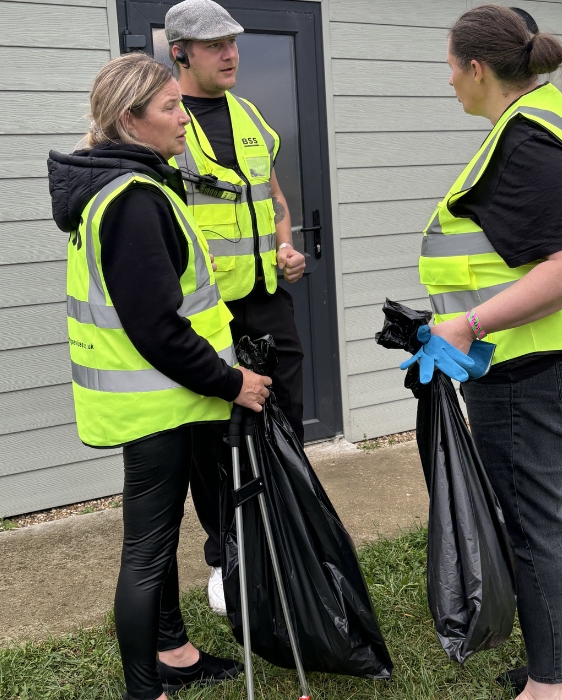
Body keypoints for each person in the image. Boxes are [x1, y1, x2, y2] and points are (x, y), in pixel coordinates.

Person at [417, 6, 562, 700]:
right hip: (561, 350)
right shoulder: (541, 117)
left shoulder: (527, 138)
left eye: (451, 66)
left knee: (534, 522)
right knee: (557, 509)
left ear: (477, 69)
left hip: (531, 364)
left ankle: (547, 689)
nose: (447, 80)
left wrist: (468, 324)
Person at [48, 52, 272, 700]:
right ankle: (145, 690)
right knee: (146, 552)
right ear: (130, 119)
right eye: (170, 107)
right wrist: (233, 383)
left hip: (164, 401)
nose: (182, 118)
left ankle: (173, 652)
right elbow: (156, 327)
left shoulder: (128, 186)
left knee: (159, 541)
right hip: (157, 406)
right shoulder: (130, 199)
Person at [163, 0, 307, 614]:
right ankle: (226, 558)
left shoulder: (249, 114)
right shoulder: (162, 121)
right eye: (213, 45)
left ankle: (285, 539)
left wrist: (286, 245)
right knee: (213, 441)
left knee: (285, 420)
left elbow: (273, 197)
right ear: (180, 53)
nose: (229, 54)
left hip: (267, 302)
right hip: (205, 314)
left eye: (233, 42)